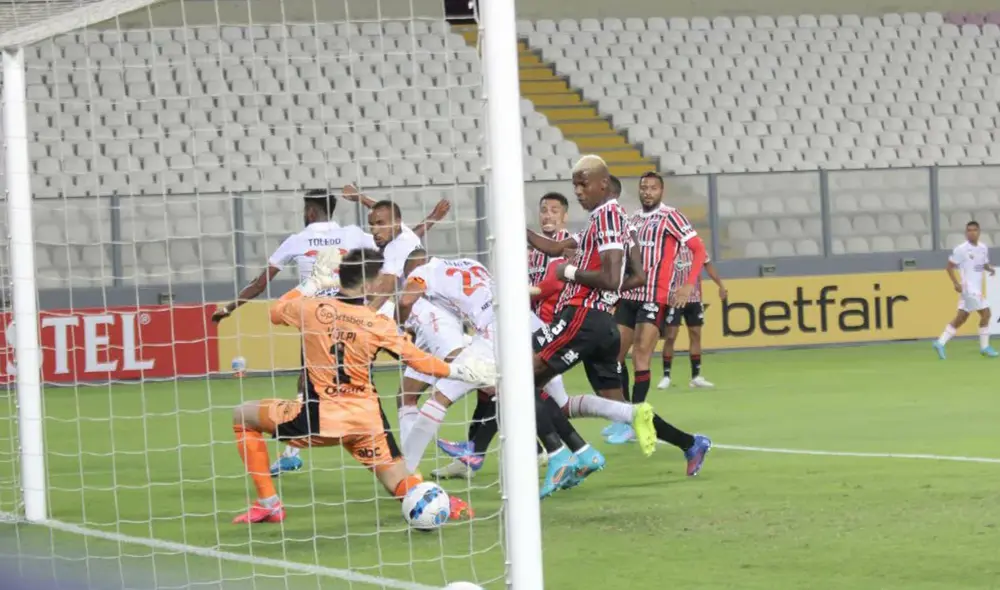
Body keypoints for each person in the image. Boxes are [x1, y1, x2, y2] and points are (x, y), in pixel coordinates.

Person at [230, 248, 494, 524]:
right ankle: (447, 504)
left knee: (242, 417)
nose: (384, 282)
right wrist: (458, 370)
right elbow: (419, 361)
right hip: (367, 423)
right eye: (380, 277)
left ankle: (269, 504)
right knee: (399, 483)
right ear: (368, 284)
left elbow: (275, 312)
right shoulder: (377, 322)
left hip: (319, 419)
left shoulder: (311, 308)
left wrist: (312, 284)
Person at [527, 157, 712, 489]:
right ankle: (690, 443)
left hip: (580, 317)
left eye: (583, 185)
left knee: (520, 383)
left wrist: (569, 274)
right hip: (601, 323)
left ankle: (566, 455)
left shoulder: (607, 217)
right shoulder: (618, 221)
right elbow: (635, 275)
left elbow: (612, 276)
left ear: (603, 185)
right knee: (623, 410)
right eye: (576, 185)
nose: (579, 192)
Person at [211, 188, 378, 476]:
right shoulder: (354, 234)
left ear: (310, 212)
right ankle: (306, 452)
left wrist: (229, 308)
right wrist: (364, 200)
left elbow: (260, 282)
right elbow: (395, 234)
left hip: (317, 320)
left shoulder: (297, 240)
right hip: (354, 319)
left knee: (310, 383)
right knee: (355, 382)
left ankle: (302, 448)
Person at [610, 171, 708, 444]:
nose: (647, 192)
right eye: (643, 187)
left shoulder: (671, 217)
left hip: (656, 295)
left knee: (641, 354)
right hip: (630, 294)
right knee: (615, 355)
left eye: (653, 188)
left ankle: (633, 421)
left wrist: (688, 285)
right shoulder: (633, 219)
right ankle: (624, 416)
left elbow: (698, 249)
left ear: (661, 191)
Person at [659, 257, 727, 389]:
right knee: (671, 336)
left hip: (695, 298)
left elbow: (708, 265)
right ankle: (666, 376)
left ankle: (696, 377)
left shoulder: (697, 245)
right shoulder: (671, 243)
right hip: (674, 298)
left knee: (695, 335)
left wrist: (721, 285)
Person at [933, 221, 997, 359]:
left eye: (974, 230)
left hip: (975, 289)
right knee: (986, 313)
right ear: (965, 232)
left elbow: (982, 263)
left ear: (979, 232)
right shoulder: (961, 249)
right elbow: (949, 267)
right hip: (968, 288)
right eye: (969, 230)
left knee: (961, 318)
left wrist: (989, 268)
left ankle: (940, 342)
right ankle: (985, 347)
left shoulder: (983, 248)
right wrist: (955, 283)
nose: (971, 232)